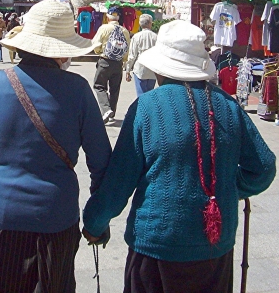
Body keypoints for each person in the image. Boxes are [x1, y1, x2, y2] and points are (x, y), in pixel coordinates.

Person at [82, 20, 276, 293]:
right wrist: (226, 187)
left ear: (160, 69)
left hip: (157, 250)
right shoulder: (228, 106)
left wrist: (94, 223)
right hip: (214, 249)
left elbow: (119, 182)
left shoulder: (146, 107)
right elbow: (264, 167)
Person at [0, 0, 111, 293]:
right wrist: (97, 221)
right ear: (63, 50)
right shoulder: (78, 90)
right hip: (54, 217)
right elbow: (101, 162)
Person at [92, 8, 131, 123]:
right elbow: (127, 49)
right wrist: (124, 61)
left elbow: (96, 43)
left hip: (105, 61)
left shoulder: (104, 28)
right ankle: (112, 112)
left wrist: (98, 52)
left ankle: (105, 110)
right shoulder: (124, 31)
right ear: (118, 18)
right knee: (115, 89)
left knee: (99, 86)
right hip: (118, 63)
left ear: (108, 17)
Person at [125, 14, 157, 97]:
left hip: (140, 69)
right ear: (150, 23)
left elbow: (132, 55)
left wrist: (128, 70)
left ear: (140, 24)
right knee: (150, 95)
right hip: (152, 69)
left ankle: (142, 109)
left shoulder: (136, 37)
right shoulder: (156, 37)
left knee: (141, 96)